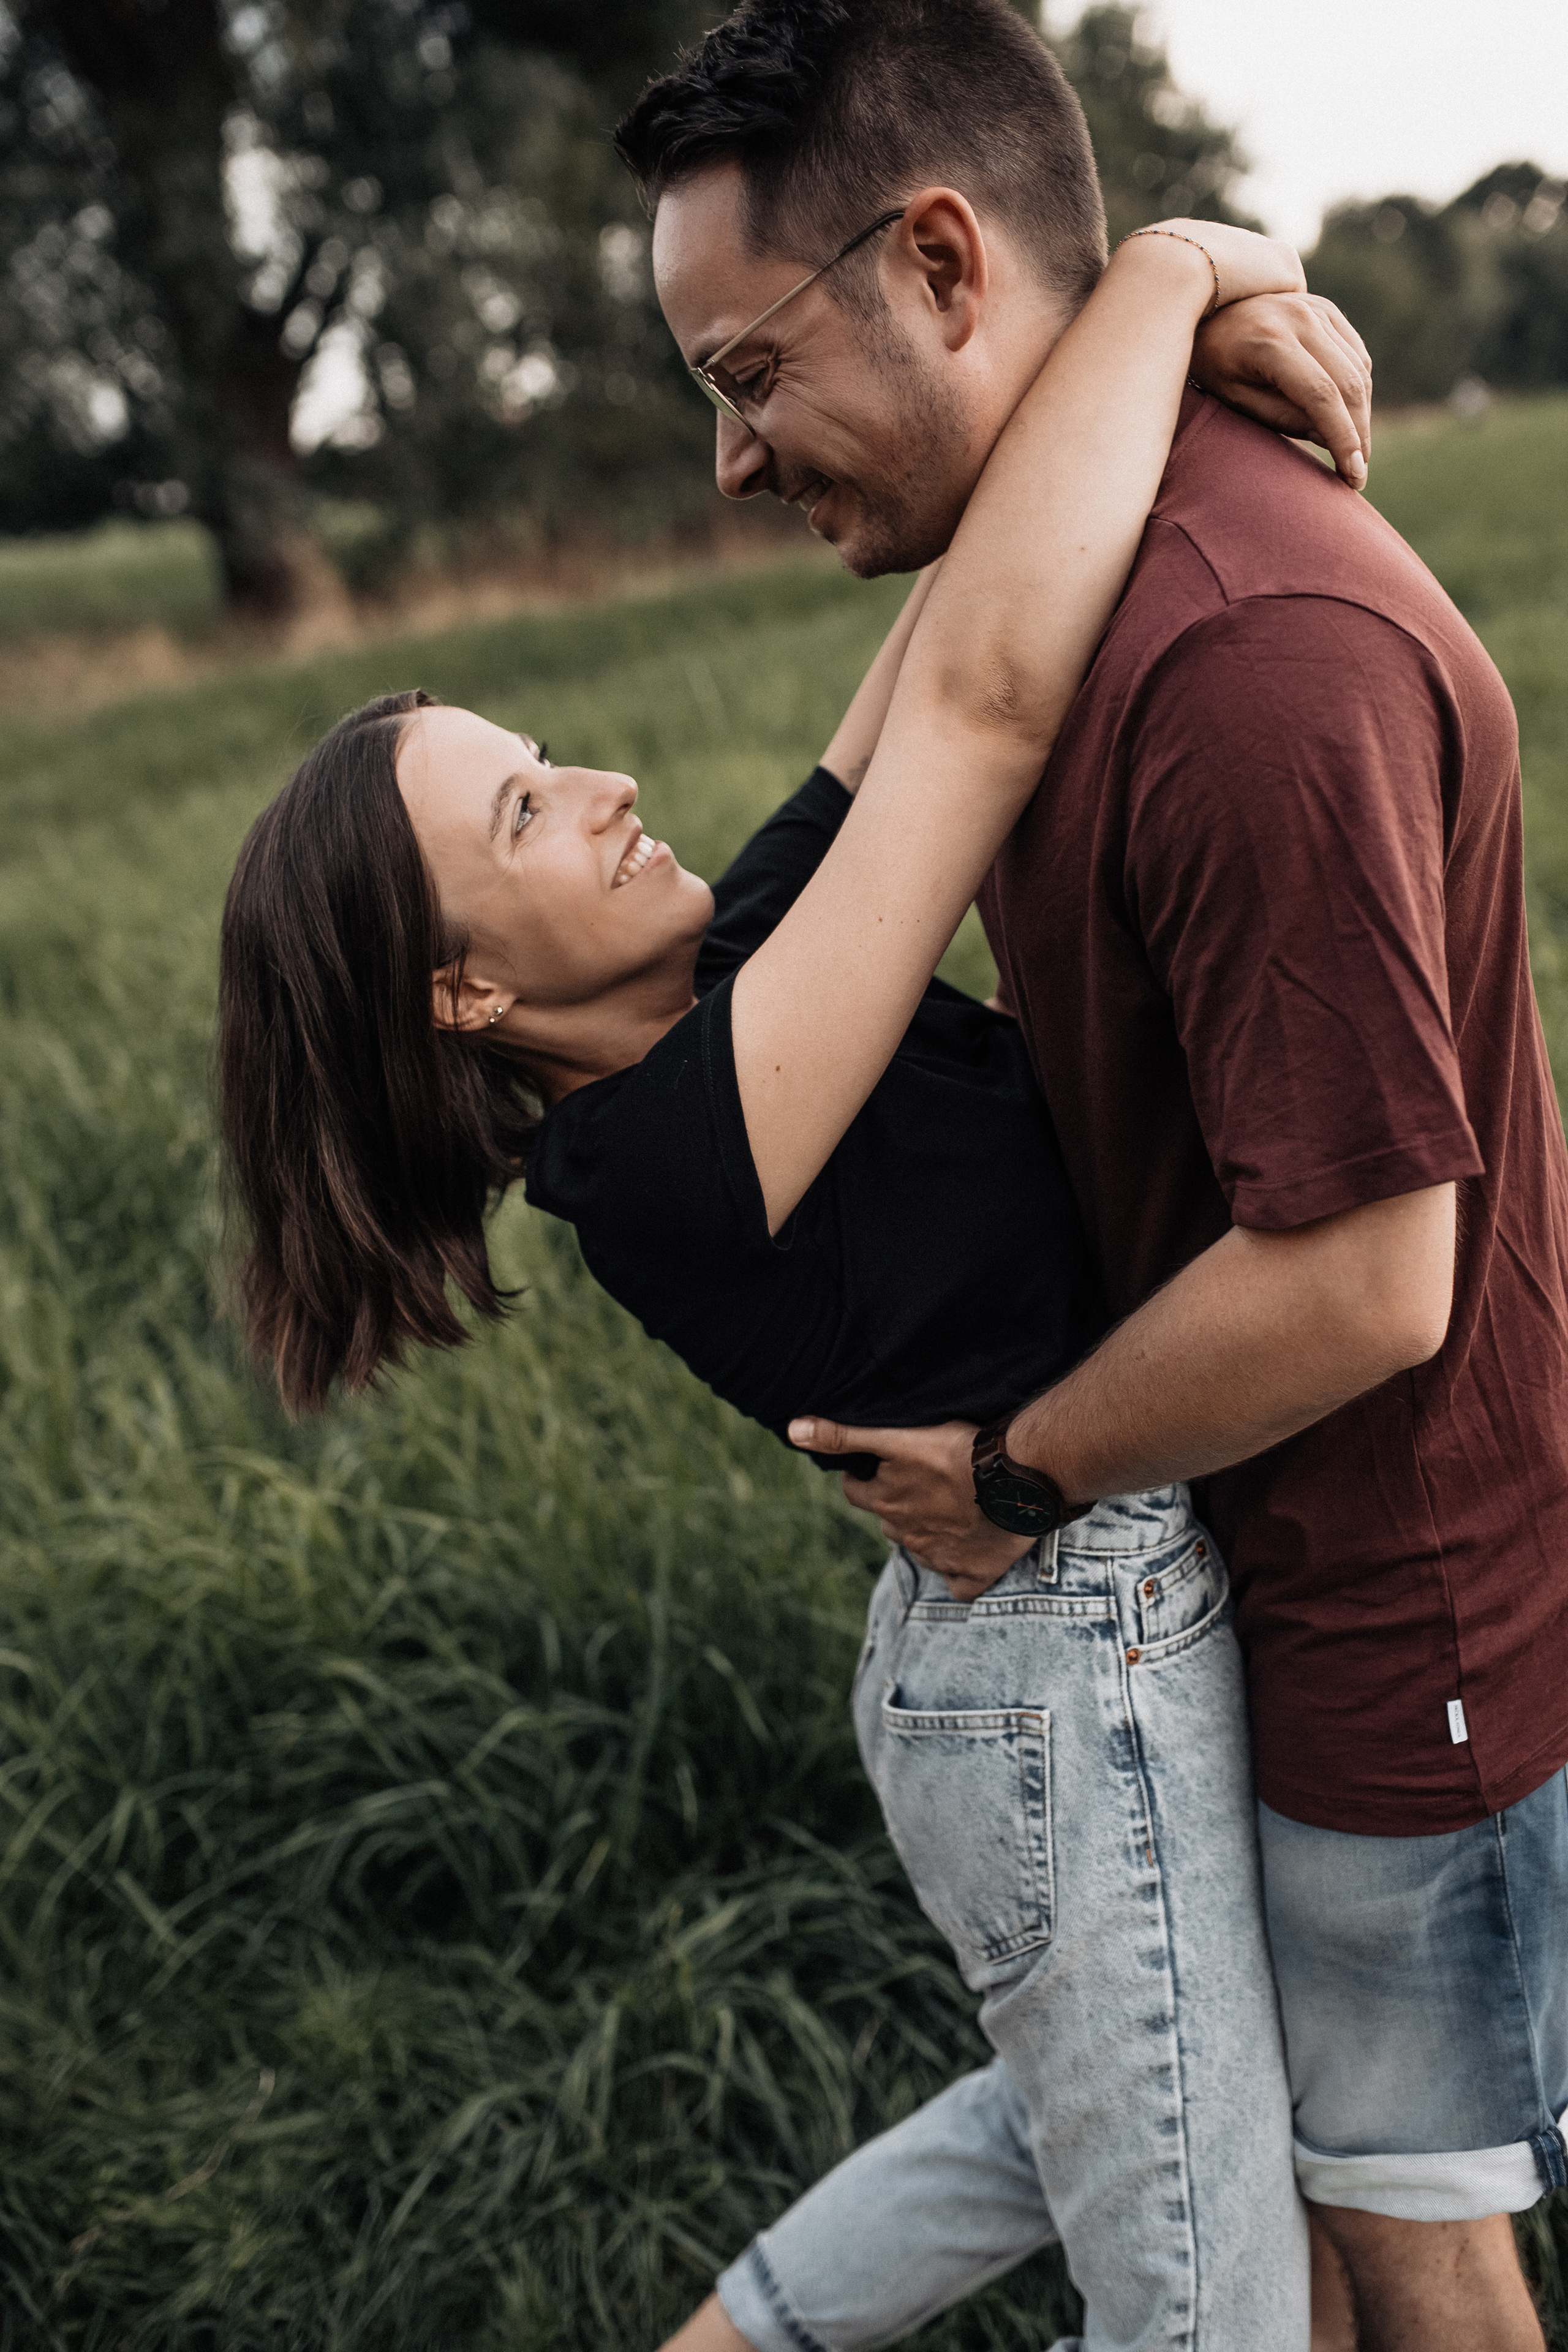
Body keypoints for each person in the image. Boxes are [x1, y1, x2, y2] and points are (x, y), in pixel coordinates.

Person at [218, 222, 1371, 2346]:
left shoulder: (722, 969)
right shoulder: (667, 1153)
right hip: (1061, 1666)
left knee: (1089, 2106)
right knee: (1211, 2303)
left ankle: (732, 2332)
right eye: (531, 808)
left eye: (550, 748)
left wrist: (1138, 317)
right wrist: (1184, 260)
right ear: (468, 990)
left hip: (1019, 1638)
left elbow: (944, 613)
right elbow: (985, 703)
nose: (607, 784)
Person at [617, 4, 1568, 2348]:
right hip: (1254, 1560)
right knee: (1290, 2208)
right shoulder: (1051, 594)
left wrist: (1014, 1474)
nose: (732, 462)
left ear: (942, 263)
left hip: (1392, 1610)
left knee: (1414, 2263)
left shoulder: (1243, 656)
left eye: (749, 373)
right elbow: (950, 714)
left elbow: (1363, 1283)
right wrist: (1186, 265)